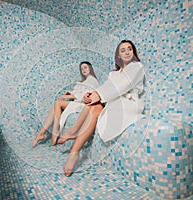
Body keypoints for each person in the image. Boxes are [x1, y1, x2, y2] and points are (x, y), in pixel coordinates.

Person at [59, 40, 146, 177]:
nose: (127, 52)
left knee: (95, 107)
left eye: (130, 49)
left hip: (127, 104)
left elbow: (124, 85)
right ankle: (74, 142)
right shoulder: (114, 73)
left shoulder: (137, 66)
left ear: (134, 52)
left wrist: (99, 94)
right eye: (122, 50)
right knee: (92, 104)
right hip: (112, 100)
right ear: (118, 55)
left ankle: (73, 147)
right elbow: (107, 87)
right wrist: (93, 93)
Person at [32, 61, 99, 148]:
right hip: (77, 102)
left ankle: (55, 132)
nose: (83, 70)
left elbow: (86, 96)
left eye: (85, 67)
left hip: (84, 105)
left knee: (58, 103)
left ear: (90, 68)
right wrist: (69, 93)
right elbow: (77, 92)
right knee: (54, 109)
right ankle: (41, 133)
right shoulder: (83, 81)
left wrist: (71, 95)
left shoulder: (93, 80)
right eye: (81, 68)